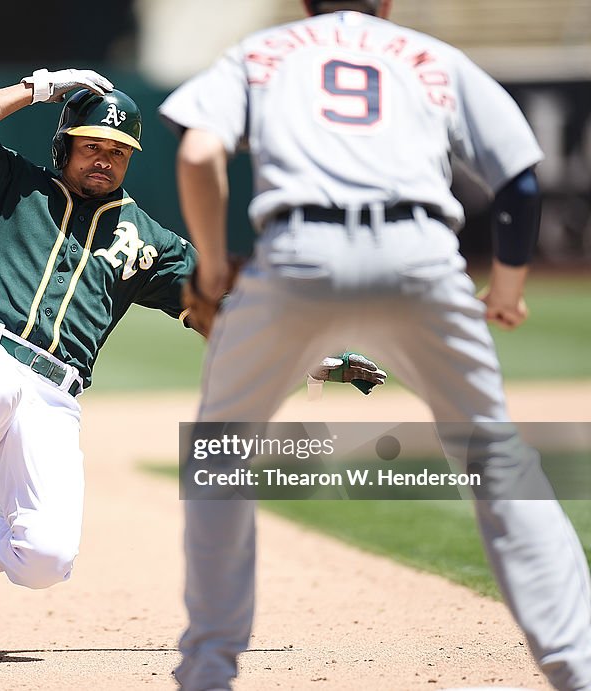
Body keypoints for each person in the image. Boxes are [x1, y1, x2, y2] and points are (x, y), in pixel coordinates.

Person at [159, 1, 591, 689]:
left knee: (219, 452)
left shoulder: (261, 51)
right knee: (496, 456)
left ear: (305, 2)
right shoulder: (432, 56)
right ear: (385, 3)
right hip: (420, 253)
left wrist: (211, 264)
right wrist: (506, 288)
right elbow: (520, 180)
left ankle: (207, 671)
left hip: (296, 252)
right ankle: (580, 668)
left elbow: (198, 150)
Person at [0, 68, 385, 620]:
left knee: (46, 558)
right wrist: (41, 88)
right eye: (91, 146)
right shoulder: (12, 184)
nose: (104, 159)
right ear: (64, 145)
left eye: (118, 150)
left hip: (53, 395)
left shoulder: (148, 240)